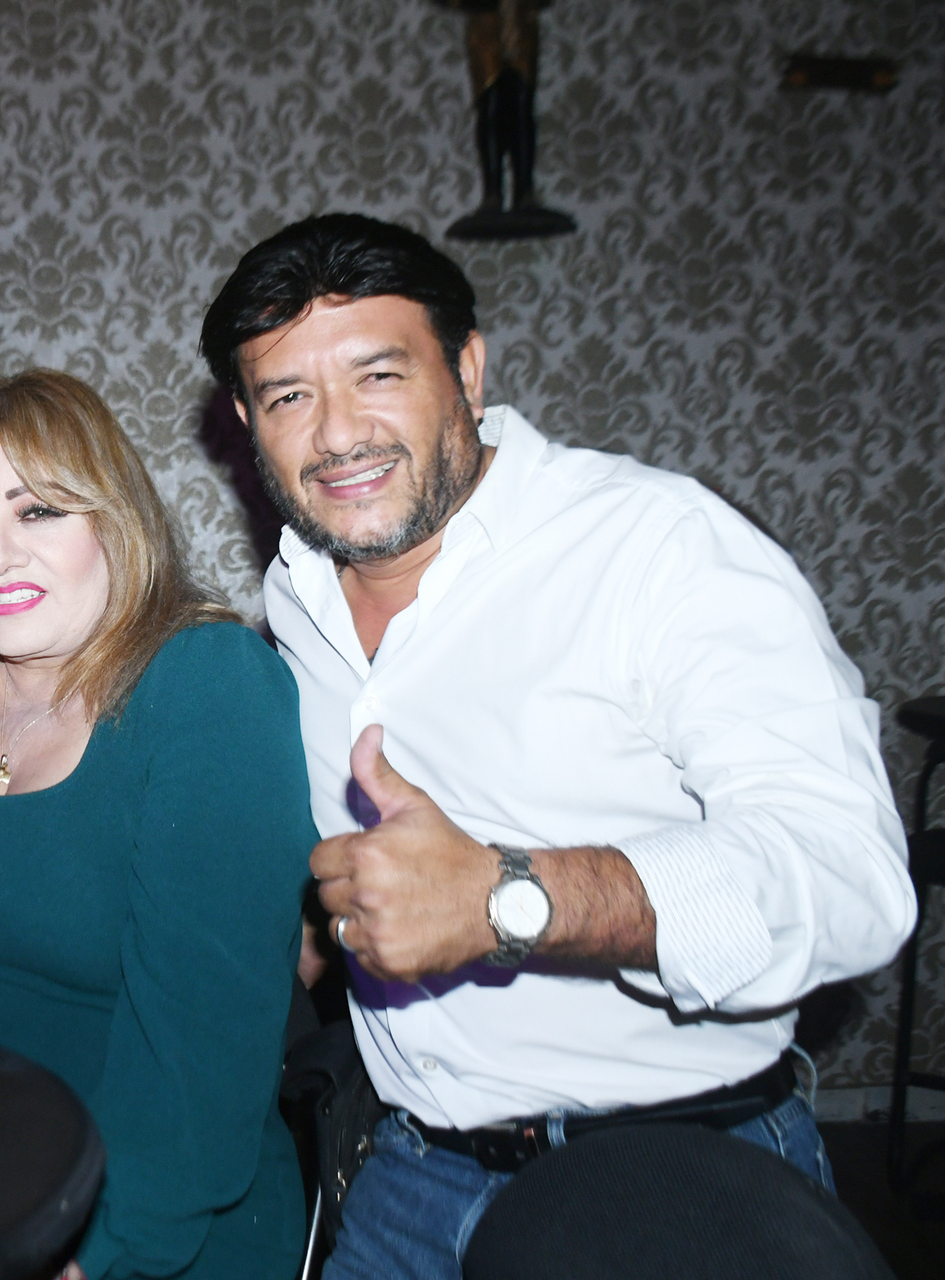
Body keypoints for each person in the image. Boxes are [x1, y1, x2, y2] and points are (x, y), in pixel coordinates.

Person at [199, 213, 915, 1279]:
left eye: (379, 374)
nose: (339, 434)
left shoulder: (657, 547)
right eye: (289, 396)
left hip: (674, 1178)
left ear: (467, 369)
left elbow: (851, 879)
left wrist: (509, 898)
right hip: (406, 1175)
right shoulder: (294, 596)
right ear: (248, 422)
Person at [0, 370, 317, 1280]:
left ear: (113, 521)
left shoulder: (207, 683)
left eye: (37, 511)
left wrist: (97, 1248)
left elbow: (204, 1041)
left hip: (156, 1221)